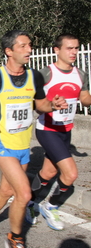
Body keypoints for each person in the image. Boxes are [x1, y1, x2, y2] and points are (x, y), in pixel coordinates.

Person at [0, 30, 67, 248]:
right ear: (9, 51)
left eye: (30, 45)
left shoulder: (34, 76)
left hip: (23, 145)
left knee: (7, 190)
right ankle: (16, 237)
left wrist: (53, 105)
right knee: (24, 192)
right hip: (0, 142)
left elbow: (40, 104)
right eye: (23, 46)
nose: (29, 50)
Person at [27, 34, 91, 230]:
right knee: (70, 174)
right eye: (69, 48)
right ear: (57, 50)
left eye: (76, 48)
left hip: (66, 130)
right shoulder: (45, 74)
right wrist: (51, 105)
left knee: (49, 171)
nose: (74, 52)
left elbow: (85, 99)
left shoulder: (80, 74)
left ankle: (28, 201)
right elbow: (35, 105)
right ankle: (51, 205)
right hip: (47, 129)